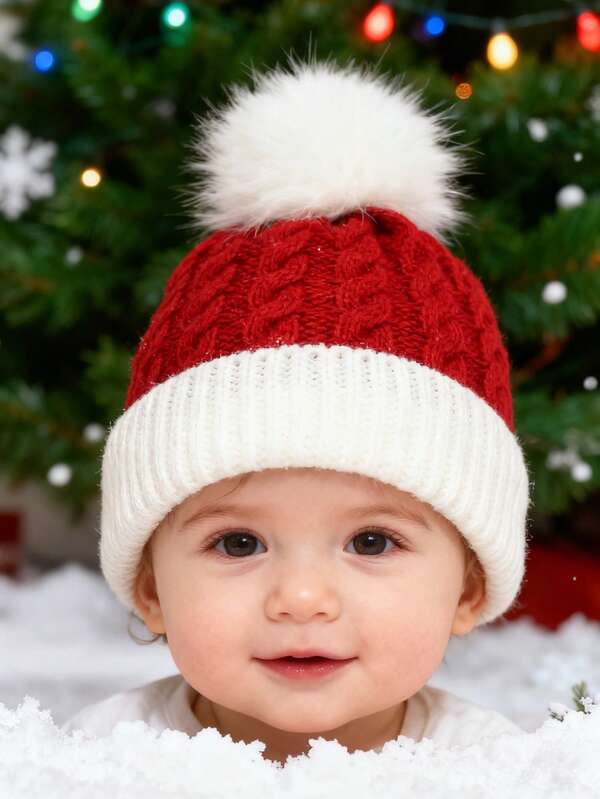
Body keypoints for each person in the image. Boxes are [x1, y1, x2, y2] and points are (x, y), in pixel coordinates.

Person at [61, 54, 531, 766]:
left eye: (372, 541)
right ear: (152, 587)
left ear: (467, 585)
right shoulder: (91, 765)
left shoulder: (500, 773)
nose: (303, 598)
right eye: (238, 542)